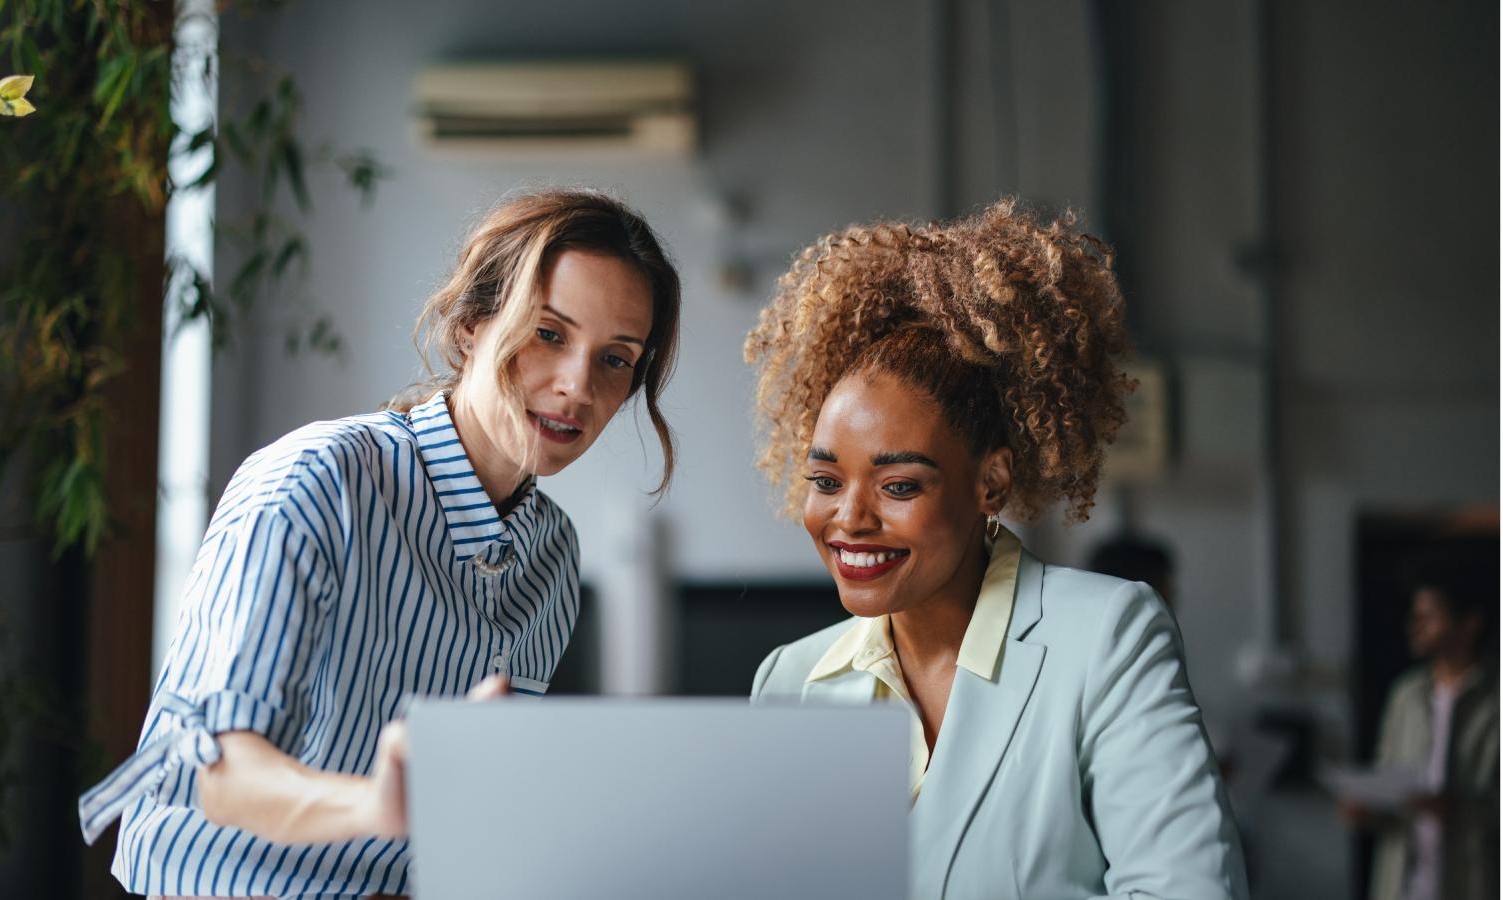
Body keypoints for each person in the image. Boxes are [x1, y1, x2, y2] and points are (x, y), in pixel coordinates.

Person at [77, 189, 681, 898]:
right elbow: (217, 771)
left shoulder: (551, 555)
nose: (577, 386)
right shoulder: (317, 482)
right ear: (471, 328)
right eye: (549, 333)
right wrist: (376, 806)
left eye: (616, 360)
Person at [744, 201, 1246, 899]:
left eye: (897, 485)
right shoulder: (790, 684)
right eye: (826, 481)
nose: (848, 518)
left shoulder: (1106, 638)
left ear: (991, 481)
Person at [1345, 560, 1498, 900]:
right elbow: (1388, 781)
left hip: (1472, 882)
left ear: (1469, 624)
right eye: (1415, 614)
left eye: (1429, 616)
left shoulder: (1495, 699)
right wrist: (1367, 808)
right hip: (1403, 884)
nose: (1414, 625)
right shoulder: (1405, 695)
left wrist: (1456, 808)